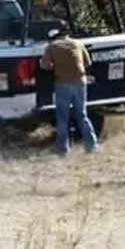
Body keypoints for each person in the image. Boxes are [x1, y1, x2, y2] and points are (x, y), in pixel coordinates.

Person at [40, 22, 98, 156]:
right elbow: (88, 62)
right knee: (82, 114)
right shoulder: (78, 43)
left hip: (62, 84)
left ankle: (63, 150)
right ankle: (91, 145)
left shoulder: (52, 46)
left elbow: (45, 66)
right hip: (80, 82)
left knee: (62, 117)